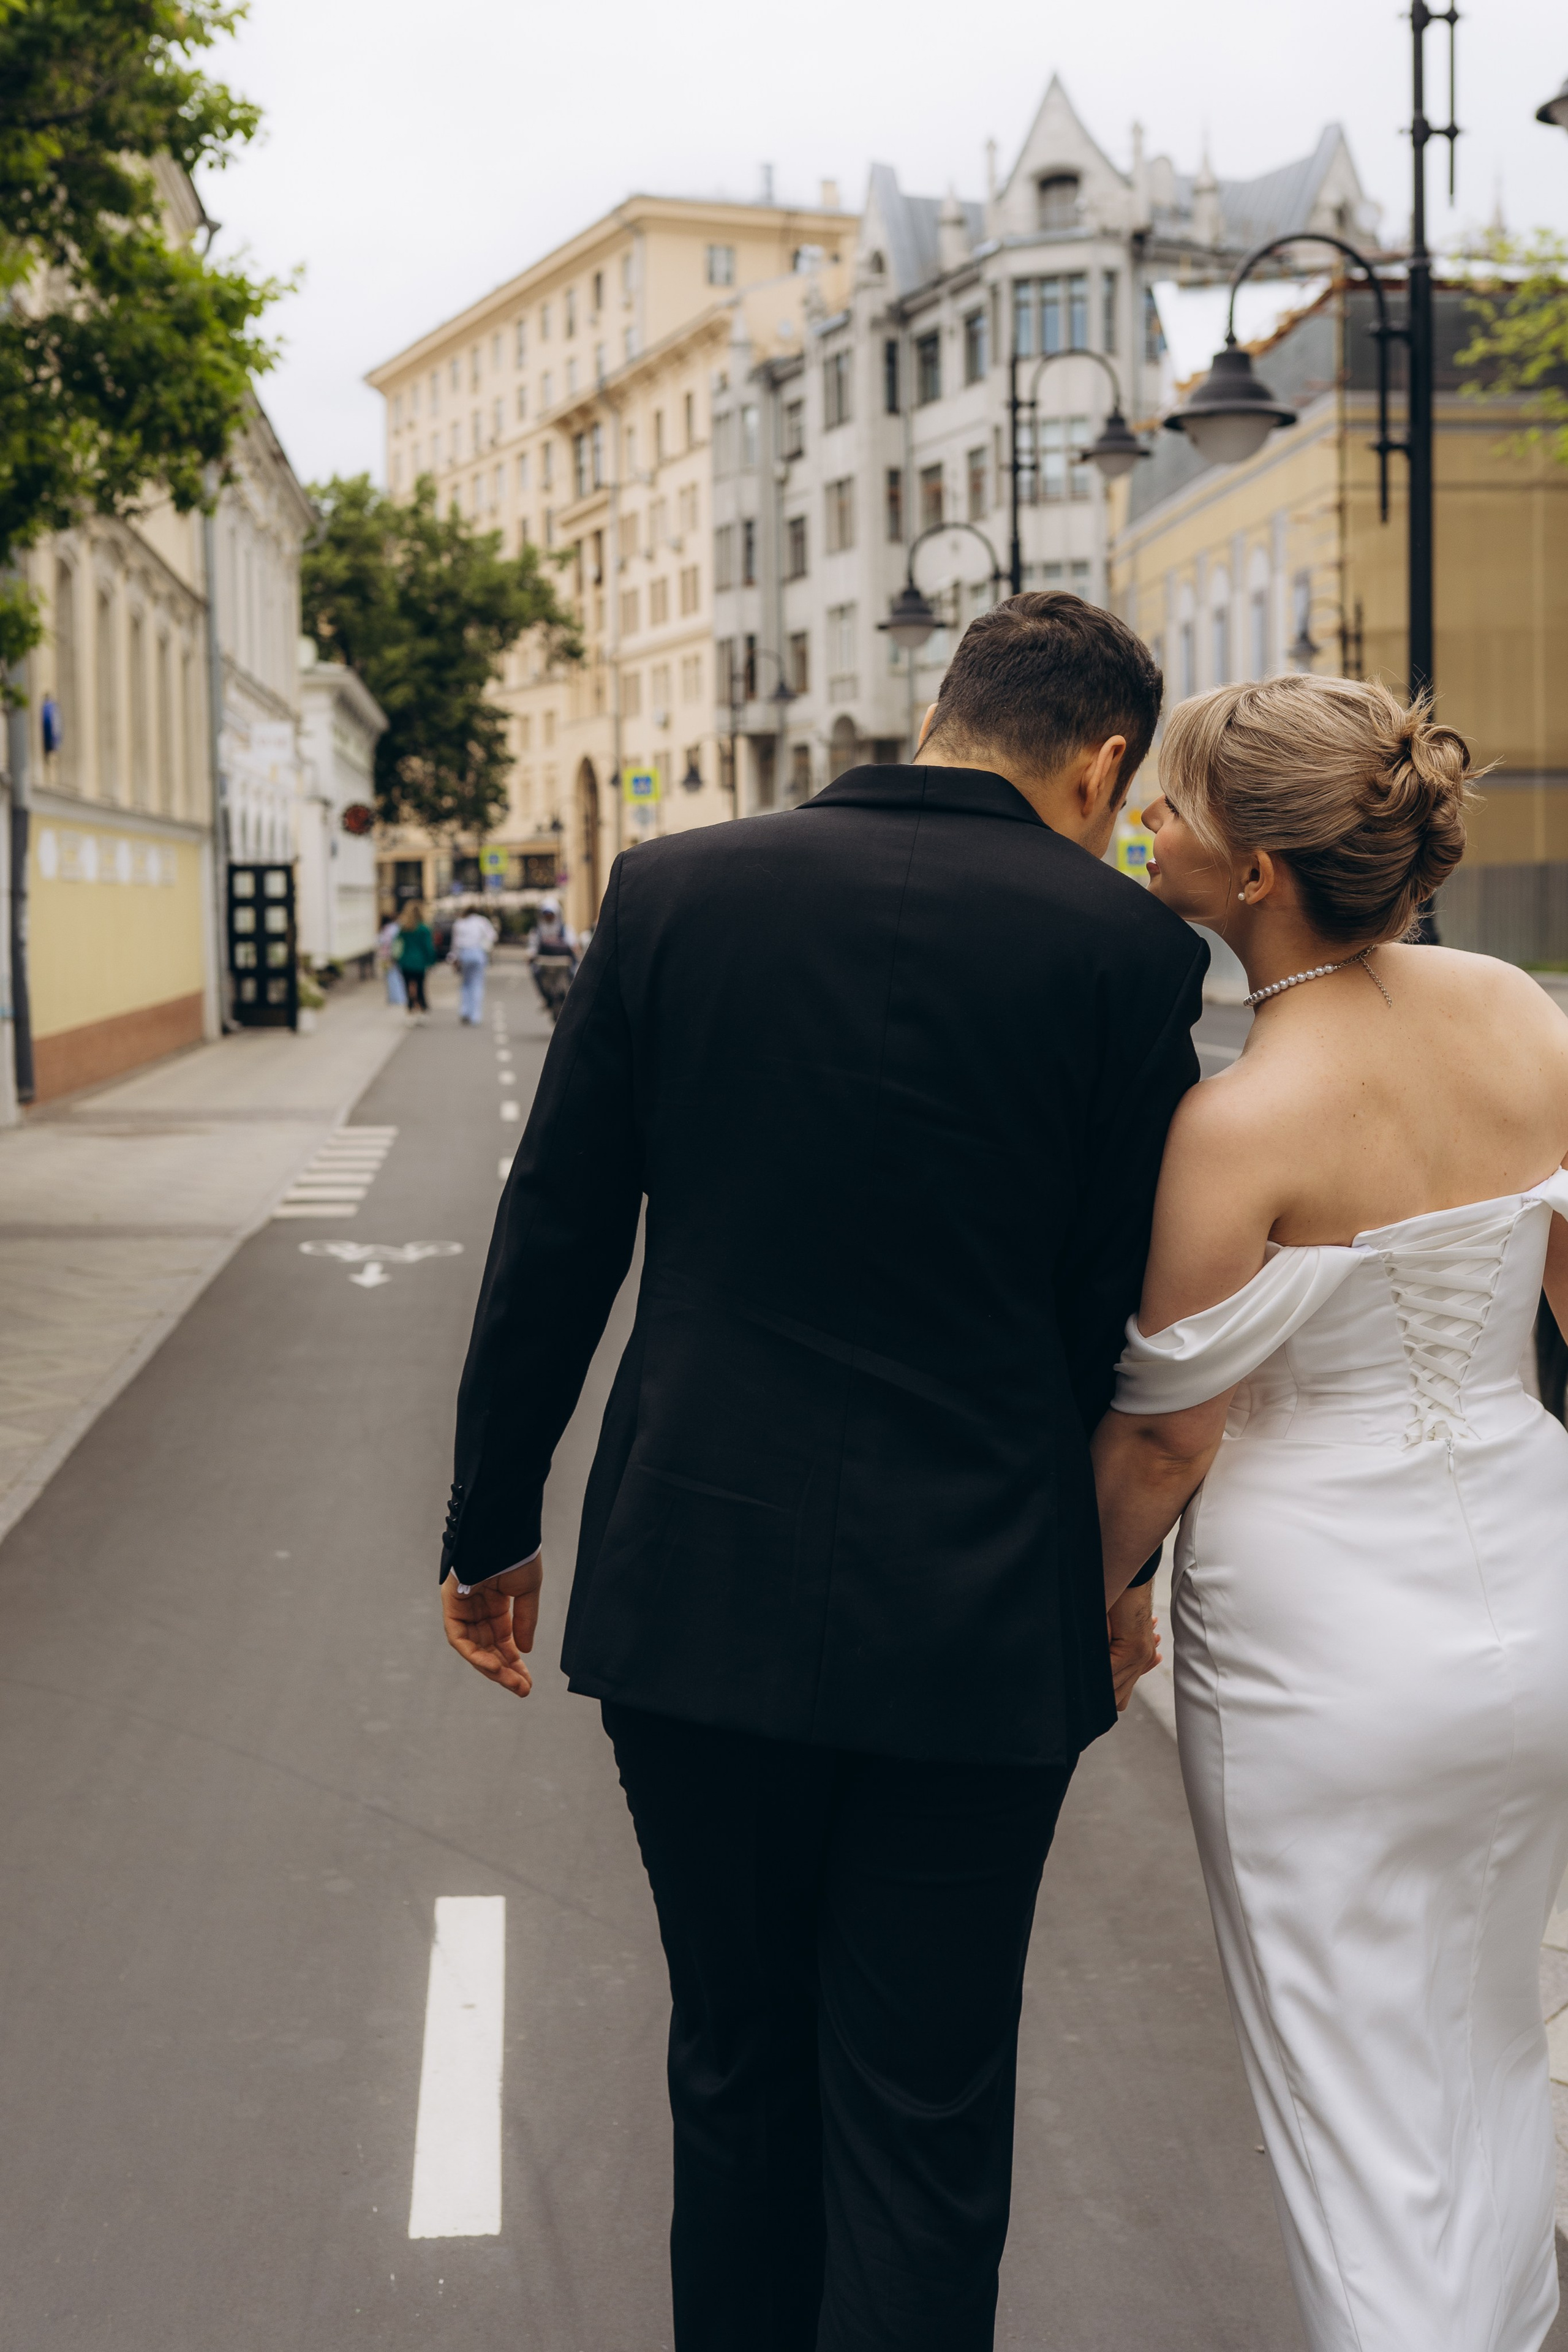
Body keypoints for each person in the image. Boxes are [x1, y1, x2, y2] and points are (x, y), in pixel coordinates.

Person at [437, 593, 1206, 2351]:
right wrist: (1116, 1581)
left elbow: (556, 1234)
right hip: (978, 1620)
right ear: (1101, 767)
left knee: (735, 2060)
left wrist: (493, 1528)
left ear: (942, 709)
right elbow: (1123, 1320)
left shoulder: (674, 892)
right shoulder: (1127, 957)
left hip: (694, 1591)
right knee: (925, 2106)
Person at [1093, 673, 1568, 2352]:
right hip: (1535, 1580)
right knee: (1490, 2040)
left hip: (1323, 1648)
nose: (1146, 820)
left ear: (1254, 873)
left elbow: (1170, 1441)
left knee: (1351, 2103)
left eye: (1172, 801)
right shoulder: (1515, 1010)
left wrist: (1093, 1594)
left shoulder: (1235, 1123)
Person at [450, 903, 498, 1025]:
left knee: (465, 984)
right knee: (477, 984)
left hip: (464, 954)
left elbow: (455, 944)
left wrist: (453, 958)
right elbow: (493, 936)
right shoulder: (482, 921)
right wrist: (484, 947)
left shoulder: (459, 923)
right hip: (478, 953)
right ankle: (475, 1015)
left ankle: (465, 1011)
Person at [395, 900, 437, 1017]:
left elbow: (397, 944)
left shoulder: (404, 928)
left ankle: (410, 1009)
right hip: (420, 962)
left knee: (407, 986)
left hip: (405, 962)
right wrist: (432, 961)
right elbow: (429, 947)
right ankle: (422, 1008)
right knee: (420, 986)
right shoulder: (424, 929)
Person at [377, 914, 406, 1008]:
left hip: (388, 957)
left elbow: (380, 941)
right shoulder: (398, 928)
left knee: (391, 978)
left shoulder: (387, 929)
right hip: (398, 955)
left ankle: (395, 998)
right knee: (399, 977)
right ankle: (400, 997)